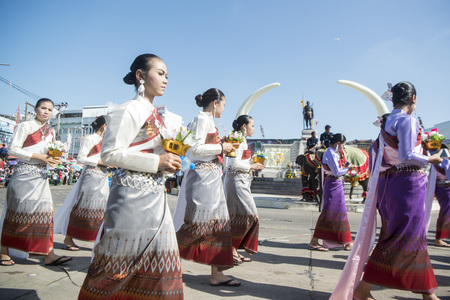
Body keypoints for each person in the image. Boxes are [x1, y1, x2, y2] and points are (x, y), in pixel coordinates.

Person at [78, 54, 183, 299]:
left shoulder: (156, 115)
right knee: (119, 261)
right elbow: (111, 154)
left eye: (167, 75)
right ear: (140, 75)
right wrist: (157, 161)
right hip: (131, 197)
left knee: (160, 260)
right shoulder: (125, 110)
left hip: (156, 195)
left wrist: (168, 163)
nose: (165, 79)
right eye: (160, 73)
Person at [332, 82, 443, 300]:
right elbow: (407, 155)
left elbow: (379, 157)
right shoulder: (407, 120)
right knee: (406, 235)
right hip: (407, 183)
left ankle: (427, 292)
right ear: (413, 99)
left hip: (389, 183)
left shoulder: (385, 124)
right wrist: (431, 157)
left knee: (405, 235)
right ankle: (363, 289)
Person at [173, 88, 239, 287]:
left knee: (219, 225)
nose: (224, 109)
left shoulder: (208, 121)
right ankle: (158, 258)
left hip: (211, 178)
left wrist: (223, 145)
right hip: (202, 179)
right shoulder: (201, 119)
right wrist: (221, 148)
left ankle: (217, 273)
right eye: (224, 105)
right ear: (215, 103)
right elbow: (193, 150)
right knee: (197, 225)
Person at [0, 98, 72, 266]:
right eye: (43, 108)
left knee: (46, 213)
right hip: (24, 175)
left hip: (41, 177)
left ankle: (49, 253)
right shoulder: (25, 126)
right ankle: (4, 251)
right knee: (16, 213)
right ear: (36, 109)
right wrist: (40, 157)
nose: (46, 112)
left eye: (49, 109)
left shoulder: (51, 131)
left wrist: (54, 158)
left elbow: (49, 153)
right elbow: (13, 149)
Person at [53, 115, 109, 251]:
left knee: (102, 209)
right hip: (91, 175)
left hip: (103, 176)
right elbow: (81, 157)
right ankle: (68, 238)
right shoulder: (90, 139)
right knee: (82, 206)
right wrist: (100, 162)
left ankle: (98, 239)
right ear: (104, 126)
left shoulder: (107, 141)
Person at [224, 115, 265, 265]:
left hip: (241, 181)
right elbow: (233, 164)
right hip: (236, 181)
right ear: (243, 126)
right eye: (252, 126)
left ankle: (233, 249)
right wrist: (252, 166)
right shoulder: (237, 140)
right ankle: (232, 248)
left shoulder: (242, 140)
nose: (253, 128)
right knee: (250, 215)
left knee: (236, 217)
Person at [309, 133, 354, 252]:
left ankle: (346, 241)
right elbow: (336, 172)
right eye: (343, 146)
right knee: (329, 213)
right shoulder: (331, 153)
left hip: (336, 185)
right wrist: (347, 169)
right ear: (338, 144)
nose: (343, 148)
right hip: (333, 185)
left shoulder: (333, 153)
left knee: (339, 212)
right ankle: (315, 241)